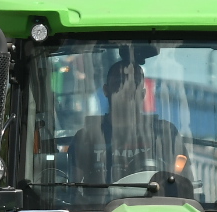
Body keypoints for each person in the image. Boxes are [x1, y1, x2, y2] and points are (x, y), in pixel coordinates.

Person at [70, 57, 189, 185]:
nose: (126, 89)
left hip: (156, 203)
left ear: (143, 94)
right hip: (101, 205)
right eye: (119, 83)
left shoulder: (166, 134)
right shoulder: (85, 139)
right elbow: (72, 192)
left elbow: (184, 186)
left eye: (134, 84)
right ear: (106, 90)